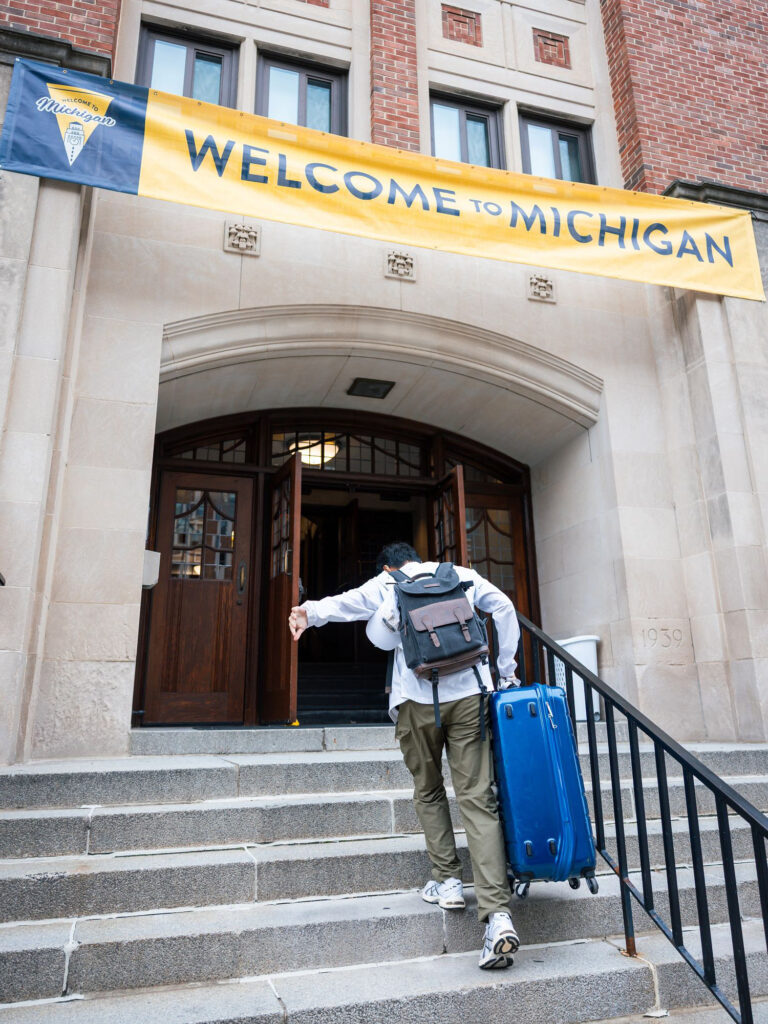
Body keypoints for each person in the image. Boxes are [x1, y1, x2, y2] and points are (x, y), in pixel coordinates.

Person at [288, 541, 521, 970]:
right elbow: (504, 608)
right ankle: (498, 916)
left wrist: (310, 611)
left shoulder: (387, 582)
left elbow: (349, 605)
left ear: (389, 564)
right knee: (477, 798)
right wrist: (505, 673)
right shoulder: (461, 574)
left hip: (417, 697)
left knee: (429, 791)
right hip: (471, 692)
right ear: (418, 557)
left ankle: (448, 881)